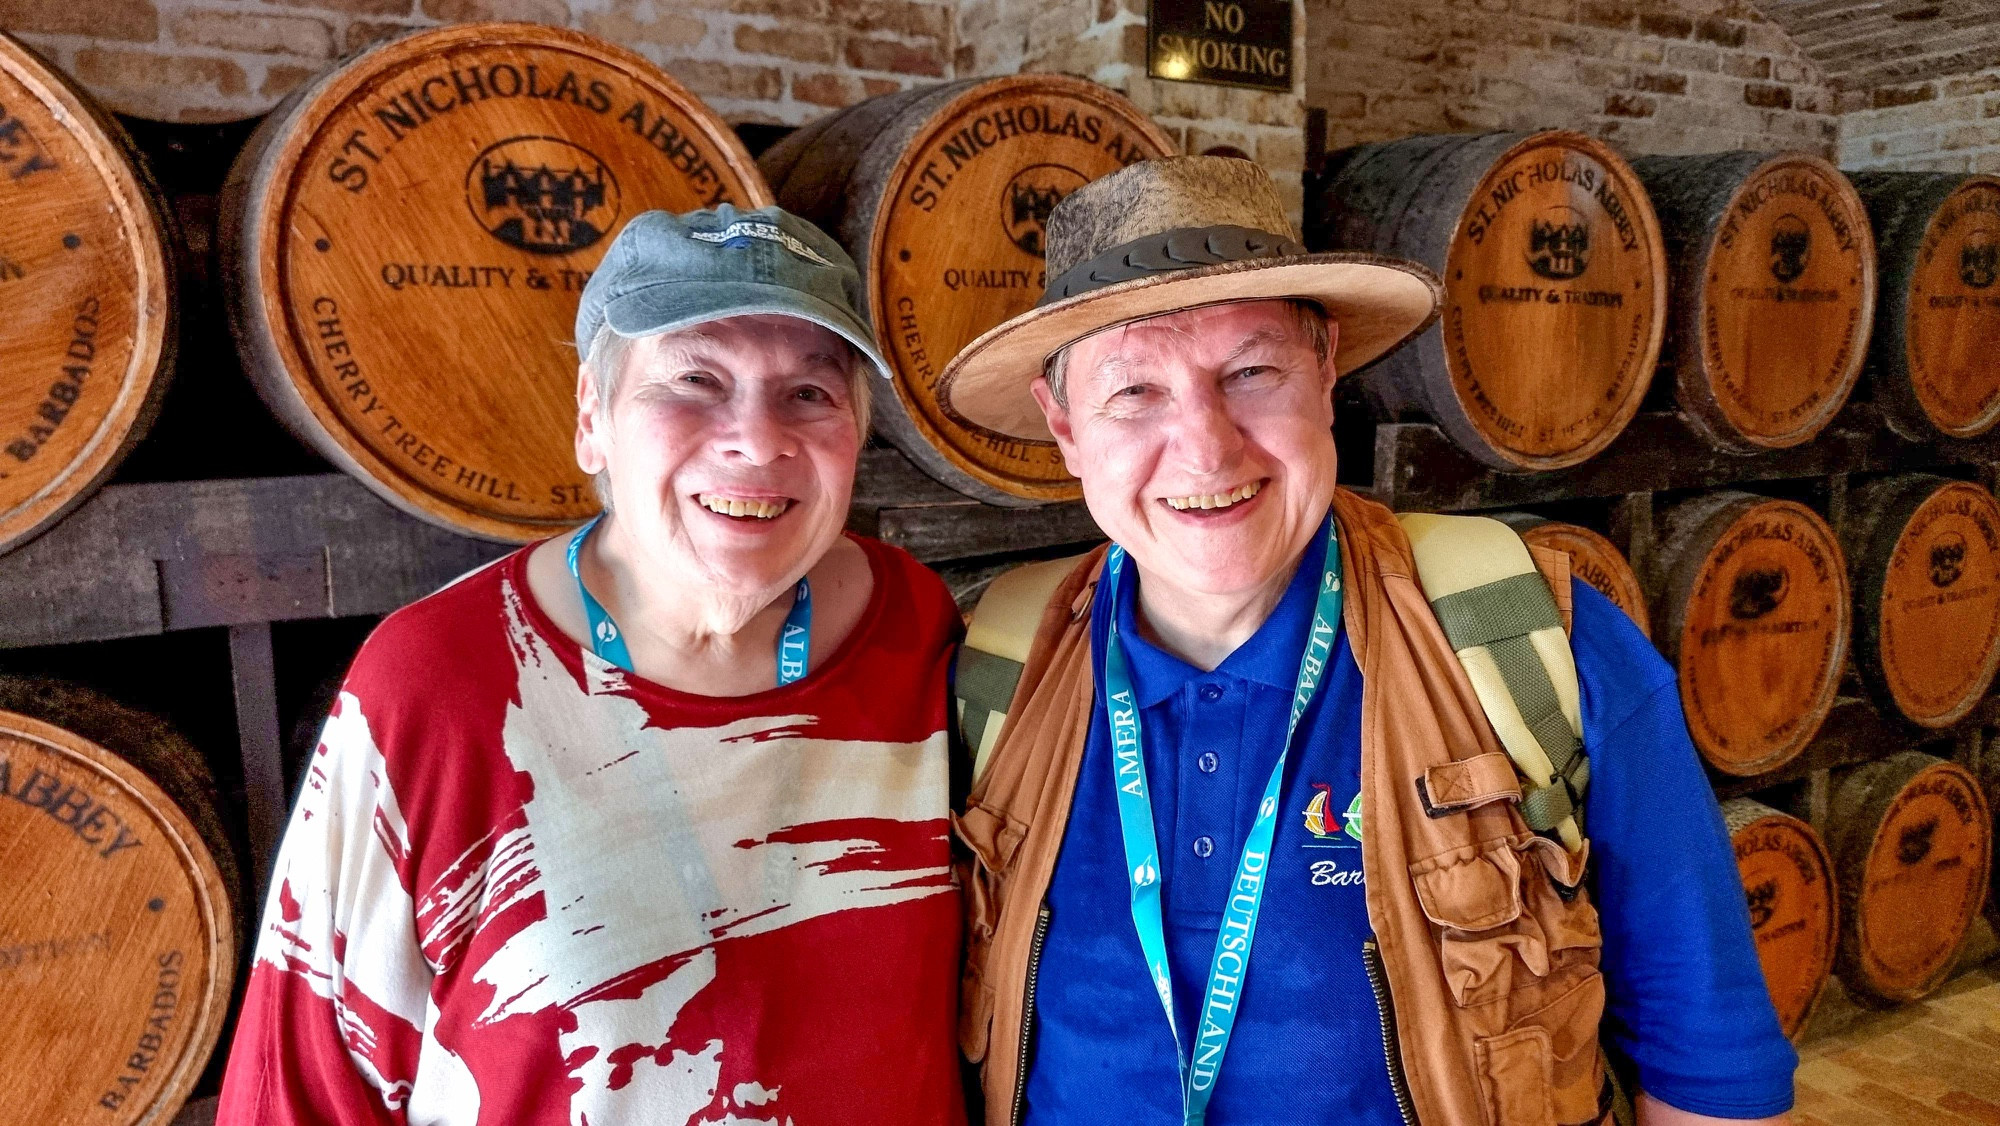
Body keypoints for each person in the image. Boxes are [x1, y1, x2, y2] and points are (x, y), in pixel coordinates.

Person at [938, 157, 1795, 1126]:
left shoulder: (1529, 635)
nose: (1206, 449)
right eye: (1133, 392)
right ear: (1063, 429)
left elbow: (1709, 1056)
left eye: (1250, 372)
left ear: (1324, 372)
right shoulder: (996, 664)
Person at [217, 205, 967, 1125]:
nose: (758, 439)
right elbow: (302, 1087)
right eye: (695, 379)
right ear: (592, 418)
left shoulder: (918, 629)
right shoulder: (437, 682)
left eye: (810, 394)